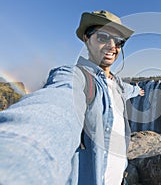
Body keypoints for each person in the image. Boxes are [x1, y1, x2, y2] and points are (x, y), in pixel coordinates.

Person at [0, 10, 144, 185]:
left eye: (118, 41)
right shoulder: (75, 76)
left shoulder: (119, 84)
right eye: (103, 37)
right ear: (86, 38)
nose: (112, 46)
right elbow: (55, 108)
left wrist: (138, 90)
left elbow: (128, 91)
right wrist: (19, 152)